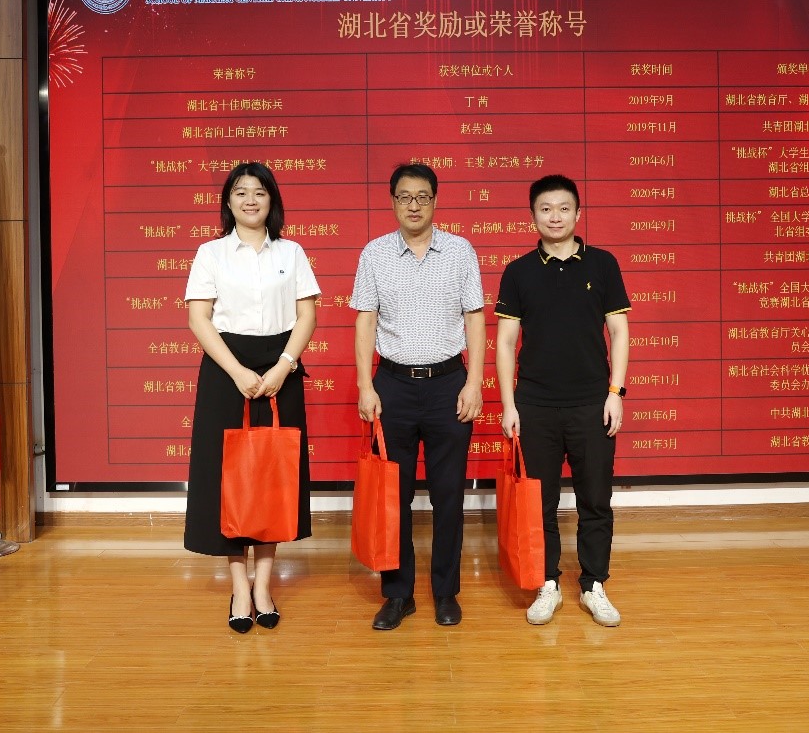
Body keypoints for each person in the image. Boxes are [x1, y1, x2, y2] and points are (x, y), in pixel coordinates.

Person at [183, 162, 320, 634]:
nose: (250, 200)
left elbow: (306, 315)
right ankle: (239, 587)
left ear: (271, 200)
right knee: (229, 480)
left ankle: (264, 585)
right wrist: (238, 372)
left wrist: (284, 366)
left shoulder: (292, 252)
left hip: (281, 366)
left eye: (259, 192)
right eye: (241, 192)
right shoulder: (211, 253)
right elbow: (199, 318)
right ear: (228, 201)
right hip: (227, 369)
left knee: (272, 476)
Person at [351, 163, 485, 630]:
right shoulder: (375, 253)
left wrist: (474, 382)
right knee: (394, 496)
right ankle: (398, 594)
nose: (414, 205)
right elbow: (365, 319)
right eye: (405, 197)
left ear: (435, 201)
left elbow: (475, 318)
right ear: (393, 201)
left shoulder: (460, 251)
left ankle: (446, 592)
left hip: (449, 383)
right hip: (393, 386)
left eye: (422, 197)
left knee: (449, 496)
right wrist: (365, 385)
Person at [494, 174, 630, 627]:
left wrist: (615, 393)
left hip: (592, 403)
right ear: (533, 215)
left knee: (596, 499)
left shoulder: (603, 264)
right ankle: (546, 582)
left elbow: (619, 332)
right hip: (534, 405)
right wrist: (509, 405)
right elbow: (505, 343)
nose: (555, 216)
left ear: (578, 213)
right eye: (546, 209)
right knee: (539, 502)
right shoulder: (518, 272)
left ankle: (594, 584)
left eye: (564, 208)